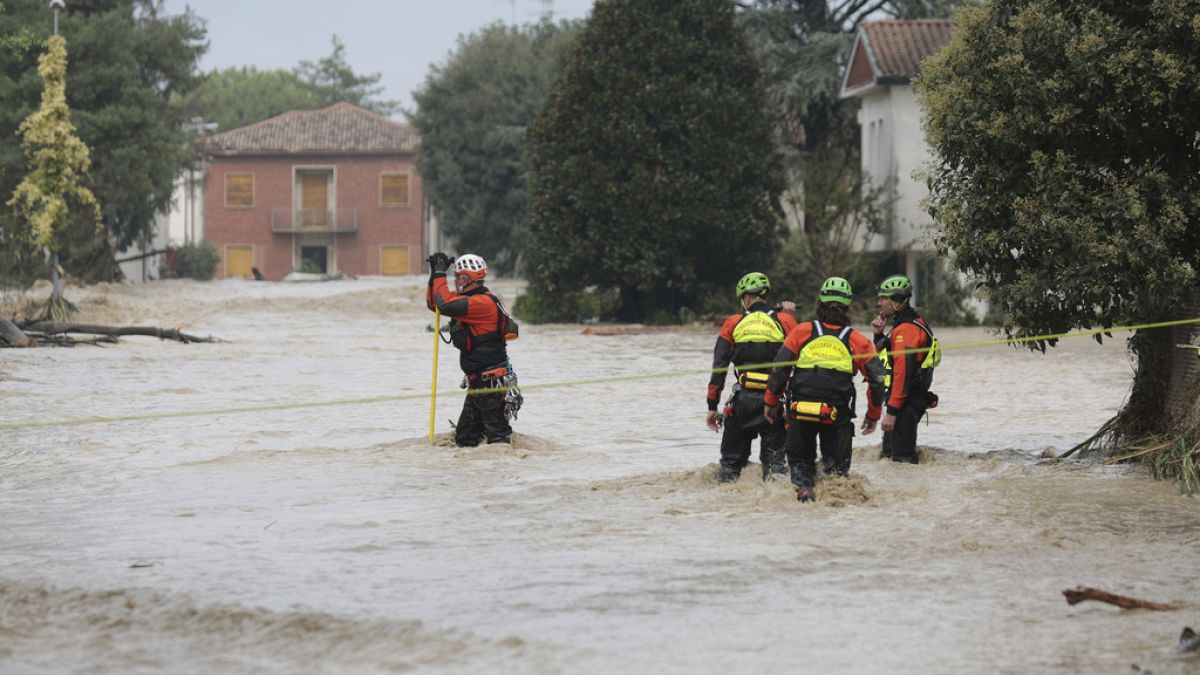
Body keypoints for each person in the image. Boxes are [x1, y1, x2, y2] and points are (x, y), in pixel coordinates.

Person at [763, 277, 885, 502]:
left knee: (800, 463)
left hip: (800, 409)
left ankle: (804, 488)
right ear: (848, 308)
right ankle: (834, 501)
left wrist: (771, 402)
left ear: (819, 303)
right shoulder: (857, 340)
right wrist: (873, 415)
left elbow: (779, 370)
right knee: (836, 471)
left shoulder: (801, 331)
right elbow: (878, 380)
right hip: (837, 415)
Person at [707, 272, 798, 483]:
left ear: (746, 298)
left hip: (741, 404)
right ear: (764, 297)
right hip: (774, 403)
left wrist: (712, 406)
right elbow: (800, 360)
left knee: (730, 467)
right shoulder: (785, 321)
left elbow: (719, 368)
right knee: (775, 469)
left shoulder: (732, 322)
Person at [426, 252, 521, 447]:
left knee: (498, 441)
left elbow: (444, 304)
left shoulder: (481, 303)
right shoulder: (472, 300)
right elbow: (435, 303)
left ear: (465, 278)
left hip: (491, 384)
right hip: (479, 384)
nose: (455, 282)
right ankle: (477, 475)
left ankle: (504, 474)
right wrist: (434, 275)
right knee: (466, 440)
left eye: (457, 277)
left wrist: (439, 274)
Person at [871, 274, 939, 464]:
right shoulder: (901, 325)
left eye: (883, 298)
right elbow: (887, 358)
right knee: (888, 457)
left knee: (902, 462)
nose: (879, 302)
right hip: (901, 401)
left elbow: (903, 373)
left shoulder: (907, 330)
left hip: (905, 403)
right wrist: (878, 336)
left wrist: (891, 412)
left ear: (897, 301)